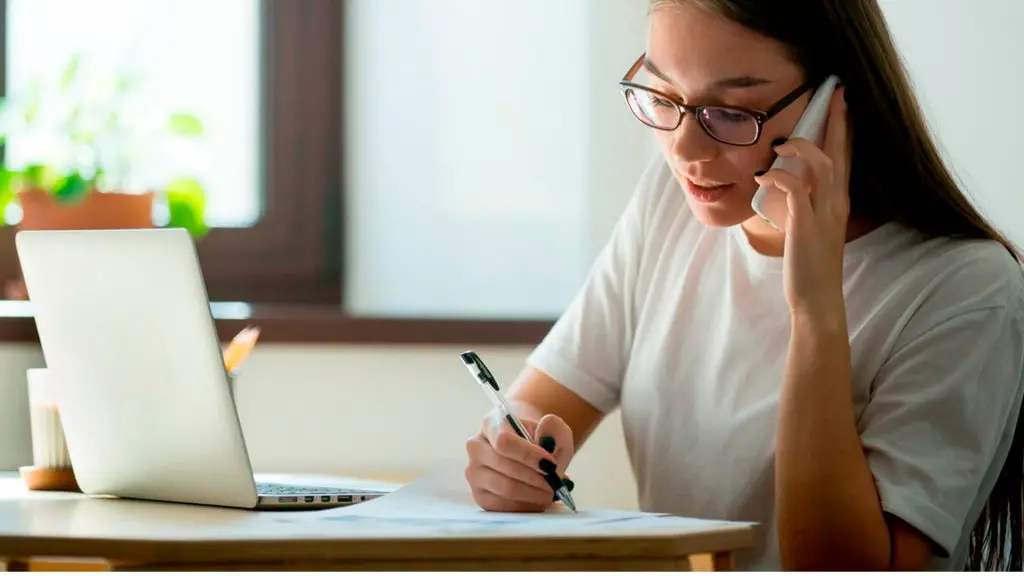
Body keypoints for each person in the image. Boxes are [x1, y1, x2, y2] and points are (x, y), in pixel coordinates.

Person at [462, 0, 1024, 571]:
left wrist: (816, 310)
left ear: (835, 104)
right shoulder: (671, 201)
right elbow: (541, 401)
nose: (684, 149)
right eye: (663, 96)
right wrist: (512, 452)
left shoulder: (966, 287)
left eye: (731, 113)